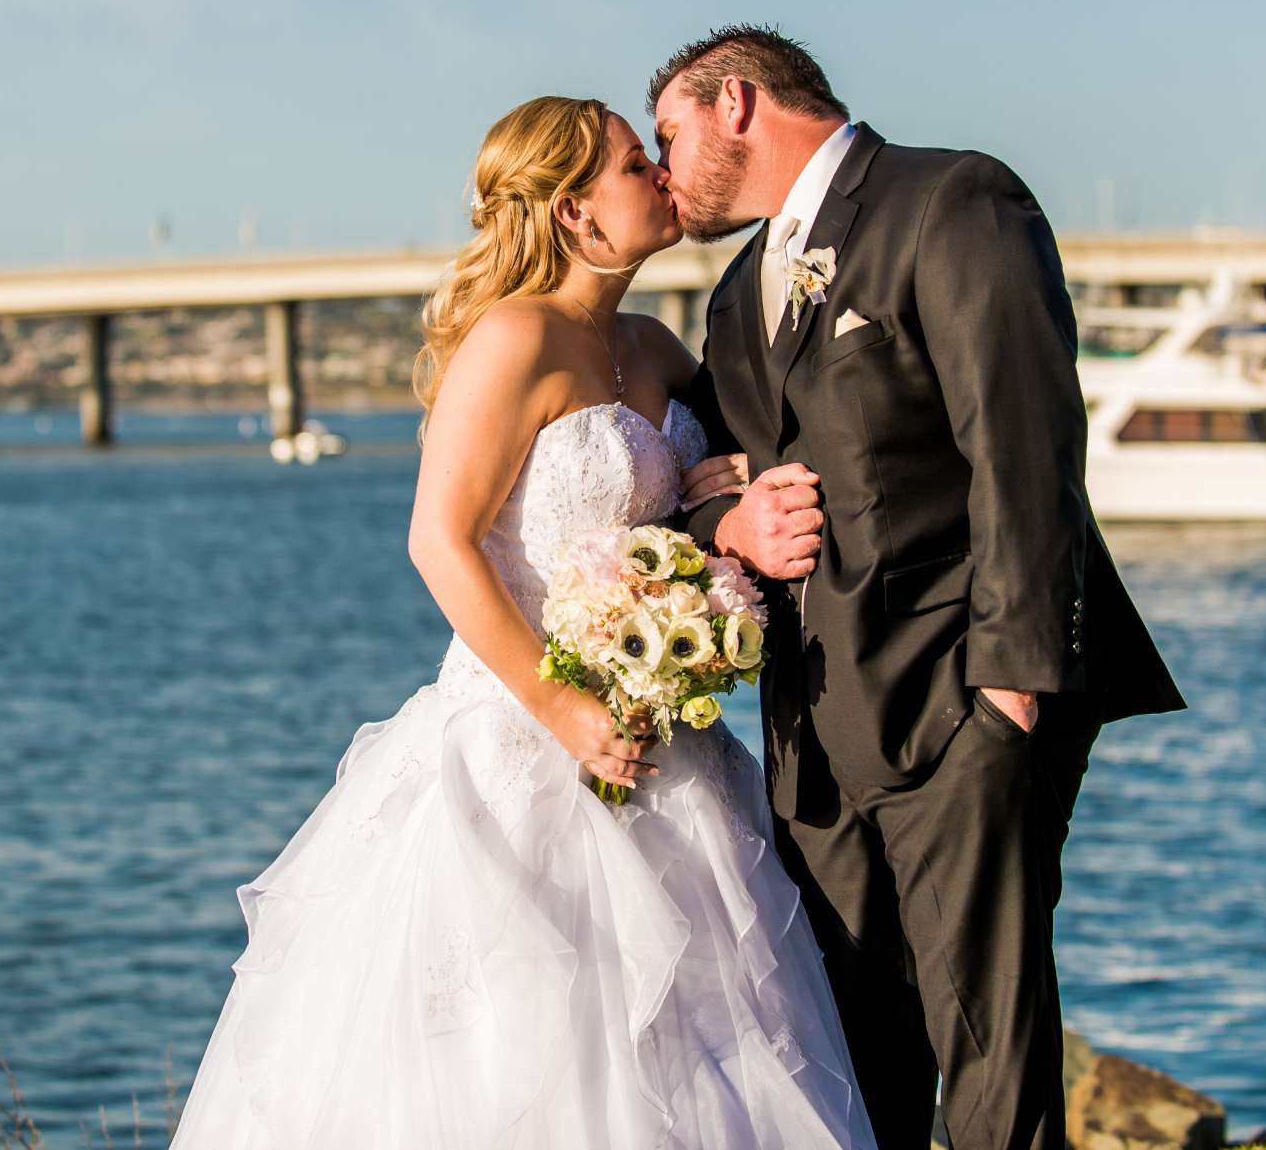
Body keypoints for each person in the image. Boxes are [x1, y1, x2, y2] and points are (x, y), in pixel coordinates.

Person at [166, 96, 881, 1149]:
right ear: (573, 215)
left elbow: (705, 488)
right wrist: (558, 707)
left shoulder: (654, 346)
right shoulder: (513, 341)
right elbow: (438, 541)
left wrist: (709, 509)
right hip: (523, 737)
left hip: (664, 743)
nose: (665, 177)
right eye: (639, 166)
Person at [650, 25, 1188, 1150]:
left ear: (736, 101)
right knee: (852, 1056)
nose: (661, 169)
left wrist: (1011, 694)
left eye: (669, 132)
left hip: (962, 704)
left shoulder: (951, 204)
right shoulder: (737, 293)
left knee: (991, 1053)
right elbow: (699, 478)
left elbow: (1026, 447)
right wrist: (722, 520)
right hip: (814, 737)